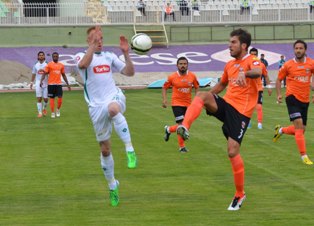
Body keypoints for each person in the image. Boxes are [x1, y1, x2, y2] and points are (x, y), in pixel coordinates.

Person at [176, 28, 262, 211]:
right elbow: (222, 84)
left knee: (232, 152)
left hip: (241, 113)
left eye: (233, 42)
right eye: (229, 42)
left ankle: (240, 194)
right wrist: (206, 99)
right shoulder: (229, 65)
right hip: (227, 105)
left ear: (244, 45)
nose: (229, 45)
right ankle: (185, 126)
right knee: (201, 95)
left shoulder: (251, 60)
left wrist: (244, 74)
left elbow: (257, 72)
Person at [75, 26, 137, 207]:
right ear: (88, 41)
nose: (99, 41)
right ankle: (112, 186)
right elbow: (83, 65)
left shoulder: (109, 56)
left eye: (101, 38)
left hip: (113, 97)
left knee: (113, 109)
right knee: (105, 150)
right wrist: (92, 47)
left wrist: (126, 54)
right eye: (95, 39)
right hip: (95, 107)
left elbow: (129, 72)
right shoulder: (80, 56)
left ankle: (130, 150)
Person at [273, 40, 314, 165]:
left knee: (301, 129)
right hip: (292, 97)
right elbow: (279, 80)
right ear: (294, 50)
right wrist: (279, 94)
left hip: (305, 99)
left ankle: (281, 130)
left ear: (305, 50)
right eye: (296, 48)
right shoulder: (288, 65)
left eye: (301, 48)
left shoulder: (311, 63)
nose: (298, 50)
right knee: (299, 126)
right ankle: (304, 156)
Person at [162, 57, 199, 153]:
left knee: (185, 126)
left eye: (185, 64)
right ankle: (182, 147)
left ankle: (169, 129)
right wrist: (165, 100)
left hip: (188, 104)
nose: (183, 65)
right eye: (181, 64)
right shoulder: (172, 77)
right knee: (181, 125)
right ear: (177, 65)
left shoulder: (192, 76)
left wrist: (197, 100)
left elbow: (197, 87)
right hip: (176, 103)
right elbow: (164, 87)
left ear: (187, 65)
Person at [40, 52, 71, 118]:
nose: (55, 57)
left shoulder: (61, 65)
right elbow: (44, 73)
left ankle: (58, 110)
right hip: (51, 85)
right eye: (54, 56)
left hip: (59, 85)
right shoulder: (49, 65)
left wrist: (68, 84)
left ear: (58, 57)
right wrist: (41, 81)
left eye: (56, 56)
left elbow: (64, 75)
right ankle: (53, 113)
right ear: (52, 57)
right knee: (52, 98)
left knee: (60, 99)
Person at [247, 48, 272, 129]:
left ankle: (259, 123)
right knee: (249, 107)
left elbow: (266, 75)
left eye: (255, 54)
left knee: (259, 106)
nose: (253, 56)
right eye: (252, 54)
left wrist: (269, 87)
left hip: (258, 88)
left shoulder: (261, 65)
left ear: (257, 55)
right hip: (249, 89)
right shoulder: (246, 64)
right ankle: (248, 123)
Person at [30, 51, 48, 118]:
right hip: (38, 83)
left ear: (44, 56)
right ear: (38, 56)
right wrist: (31, 82)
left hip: (46, 83)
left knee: (46, 99)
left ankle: (44, 109)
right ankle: (40, 113)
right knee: (39, 98)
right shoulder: (35, 65)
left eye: (42, 55)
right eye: (40, 55)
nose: (41, 56)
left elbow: (49, 73)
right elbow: (33, 73)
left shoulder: (47, 64)